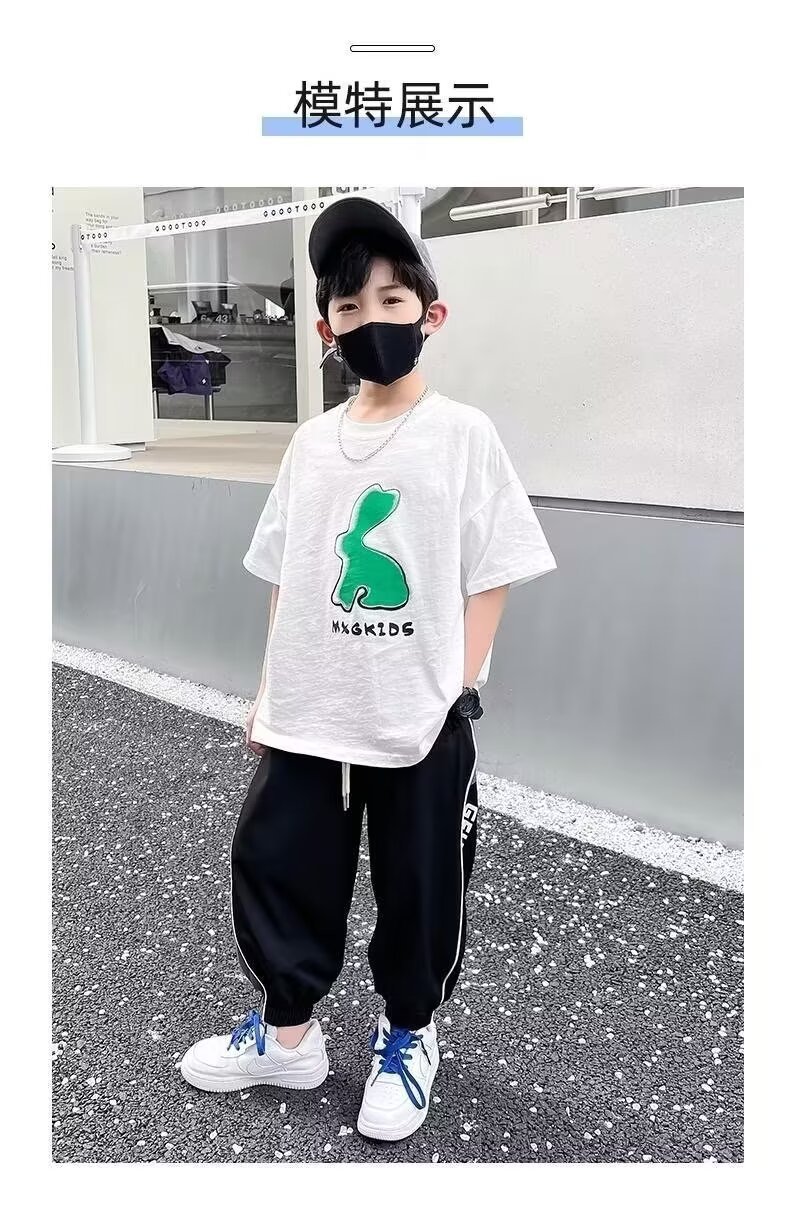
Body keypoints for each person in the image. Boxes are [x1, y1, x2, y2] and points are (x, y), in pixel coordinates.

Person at [180, 195, 558, 1142]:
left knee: (421, 878)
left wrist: (454, 688)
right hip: (311, 705)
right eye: (350, 307)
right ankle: (288, 1034)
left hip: (418, 712)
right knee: (279, 862)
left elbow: (497, 566)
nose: (371, 320)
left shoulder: (463, 434)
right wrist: (269, 692)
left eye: (393, 300)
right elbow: (288, 570)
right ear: (326, 330)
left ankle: (409, 1031)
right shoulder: (310, 444)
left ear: (431, 313)